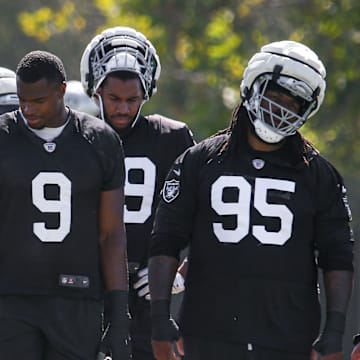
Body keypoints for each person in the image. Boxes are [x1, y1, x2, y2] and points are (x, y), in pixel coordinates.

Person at [148, 40, 354, 360]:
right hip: (209, 333)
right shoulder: (200, 161)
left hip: (288, 336)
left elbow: (338, 258)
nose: (282, 108)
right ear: (252, 87)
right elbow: (165, 242)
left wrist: (333, 333)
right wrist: (160, 321)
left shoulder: (318, 175)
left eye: (293, 102)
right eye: (275, 96)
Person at [0, 50, 131, 360]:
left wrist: (119, 315)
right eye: (23, 99)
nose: (28, 109)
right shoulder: (3, 135)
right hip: (10, 298)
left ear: (61, 91)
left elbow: (111, 236)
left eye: (38, 100)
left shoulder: (100, 141)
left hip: (78, 299)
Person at [80, 26, 195, 360]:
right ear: (96, 90)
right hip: (90, 286)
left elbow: (209, 209)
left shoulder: (171, 138)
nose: (123, 109)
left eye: (133, 100)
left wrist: (181, 269)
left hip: (148, 290)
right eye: (114, 99)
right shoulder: (80, 136)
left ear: (146, 94)